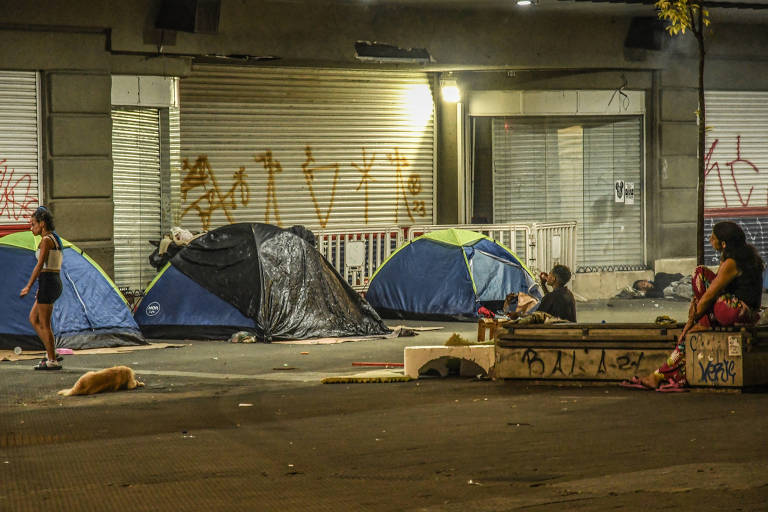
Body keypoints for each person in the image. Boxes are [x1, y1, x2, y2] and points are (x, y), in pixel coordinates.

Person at [629, 221, 764, 390]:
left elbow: (709, 295)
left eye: (713, 237)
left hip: (734, 312)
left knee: (699, 273)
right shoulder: (744, 258)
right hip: (740, 313)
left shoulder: (732, 263)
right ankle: (660, 374)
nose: (709, 240)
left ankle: (659, 374)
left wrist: (691, 322)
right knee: (689, 335)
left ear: (723, 243)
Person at [19, 206, 64, 371]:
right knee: (34, 318)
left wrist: (29, 286)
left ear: (42, 224)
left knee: (44, 324)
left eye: (33, 224)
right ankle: (51, 351)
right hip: (51, 281)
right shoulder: (55, 238)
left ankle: (52, 359)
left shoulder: (46, 240)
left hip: (49, 281)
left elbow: (39, 266)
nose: (31, 228)